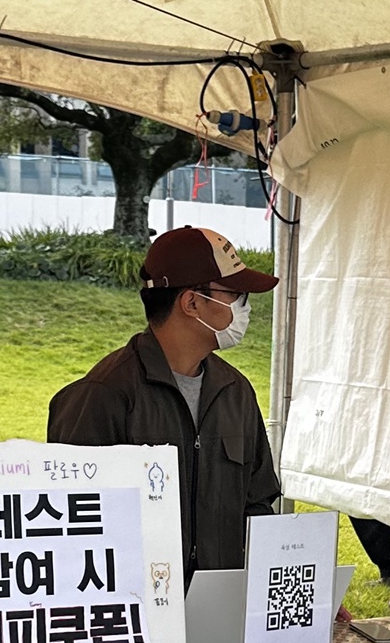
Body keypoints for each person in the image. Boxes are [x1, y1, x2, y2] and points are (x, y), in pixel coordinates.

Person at [48, 226, 281, 572]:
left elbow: (258, 502)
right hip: (137, 600)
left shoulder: (235, 391)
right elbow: (72, 524)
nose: (245, 308)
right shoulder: (103, 395)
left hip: (222, 598)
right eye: (236, 294)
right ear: (191, 302)